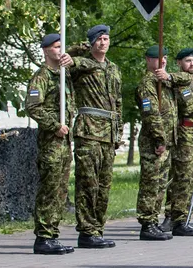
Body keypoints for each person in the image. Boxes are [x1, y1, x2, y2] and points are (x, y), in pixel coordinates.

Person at [67, 24, 123, 248]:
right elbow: (66, 58)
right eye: (98, 39)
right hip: (89, 131)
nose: (103, 43)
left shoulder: (114, 68)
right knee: (87, 183)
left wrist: (117, 133)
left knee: (103, 184)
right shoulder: (83, 64)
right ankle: (87, 231)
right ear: (91, 43)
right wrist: (80, 46)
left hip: (108, 133)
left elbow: (118, 102)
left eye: (106, 39)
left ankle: (98, 228)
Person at [27, 33, 77, 254]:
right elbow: (33, 106)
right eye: (56, 47)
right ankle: (43, 237)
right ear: (46, 50)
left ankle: (53, 234)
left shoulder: (63, 76)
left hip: (65, 143)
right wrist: (54, 125)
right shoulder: (42, 76)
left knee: (60, 191)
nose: (60, 51)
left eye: (61, 47)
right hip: (51, 142)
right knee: (49, 189)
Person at [134, 45, 177, 242]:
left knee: (161, 183)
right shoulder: (147, 84)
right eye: (158, 58)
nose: (163, 61)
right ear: (148, 60)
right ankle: (146, 222)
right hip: (154, 142)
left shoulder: (166, 83)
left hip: (167, 141)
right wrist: (159, 139)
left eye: (165, 57)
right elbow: (151, 114)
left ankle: (153, 220)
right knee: (151, 183)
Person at [168, 48, 193, 236]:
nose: (192, 64)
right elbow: (189, 104)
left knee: (192, 177)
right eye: (188, 61)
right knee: (183, 177)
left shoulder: (192, 83)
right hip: (184, 132)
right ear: (178, 63)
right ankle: (178, 219)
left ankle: (184, 217)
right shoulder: (179, 83)